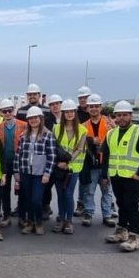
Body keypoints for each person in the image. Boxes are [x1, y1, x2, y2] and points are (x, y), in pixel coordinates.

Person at [102, 101, 139, 252]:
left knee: (131, 206)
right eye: (119, 115)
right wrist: (104, 174)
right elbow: (106, 155)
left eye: (125, 115)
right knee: (121, 204)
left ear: (131, 115)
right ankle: (121, 231)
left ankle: (134, 236)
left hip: (132, 177)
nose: (121, 118)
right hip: (117, 175)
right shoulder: (111, 133)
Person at [14, 106, 57, 235]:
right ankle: (30, 222)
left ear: (41, 119)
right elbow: (18, 155)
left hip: (40, 174)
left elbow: (52, 156)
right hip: (26, 171)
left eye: (35, 118)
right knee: (27, 198)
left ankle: (38, 222)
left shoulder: (48, 135)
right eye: (30, 118)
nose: (33, 120)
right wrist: (17, 174)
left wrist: (47, 173)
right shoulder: (23, 135)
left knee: (37, 200)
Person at [78, 93, 117, 227]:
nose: (94, 109)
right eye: (91, 107)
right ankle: (88, 213)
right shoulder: (83, 126)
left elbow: (117, 139)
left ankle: (107, 215)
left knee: (107, 191)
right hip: (91, 164)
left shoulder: (109, 123)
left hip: (106, 163)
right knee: (89, 190)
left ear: (100, 107)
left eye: (96, 106)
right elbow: (79, 145)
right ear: (87, 108)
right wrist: (90, 141)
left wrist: (114, 129)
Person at [52, 100, 87, 234]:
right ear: (63, 113)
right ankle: (61, 218)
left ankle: (68, 220)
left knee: (68, 194)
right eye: (67, 112)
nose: (70, 114)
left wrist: (67, 162)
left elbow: (79, 149)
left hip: (73, 168)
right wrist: (58, 163)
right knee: (60, 194)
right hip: (58, 166)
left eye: (72, 111)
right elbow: (53, 147)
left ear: (75, 113)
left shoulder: (83, 130)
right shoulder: (56, 128)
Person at [0, 99, 26, 228]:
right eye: (4, 111)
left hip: (20, 163)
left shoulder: (24, 125)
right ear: (1, 112)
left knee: (23, 190)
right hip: (4, 164)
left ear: (14, 111)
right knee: (4, 190)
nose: (7, 113)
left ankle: (22, 216)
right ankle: (6, 215)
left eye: (9, 110)